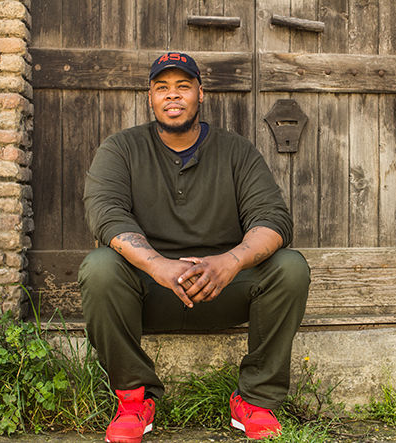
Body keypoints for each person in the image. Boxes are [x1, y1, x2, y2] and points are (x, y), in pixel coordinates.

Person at [78, 51, 310, 443]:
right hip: (150, 292)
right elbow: (106, 215)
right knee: (100, 267)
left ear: (200, 94)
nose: (173, 96)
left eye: (183, 87)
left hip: (224, 289)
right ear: (150, 97)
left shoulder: (237, 151)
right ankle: (134, 398)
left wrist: (229, 262)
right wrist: (159, 267)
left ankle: (255, 400)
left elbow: (274, 220)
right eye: (162, 88)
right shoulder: (120, 149)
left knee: (290, 267)